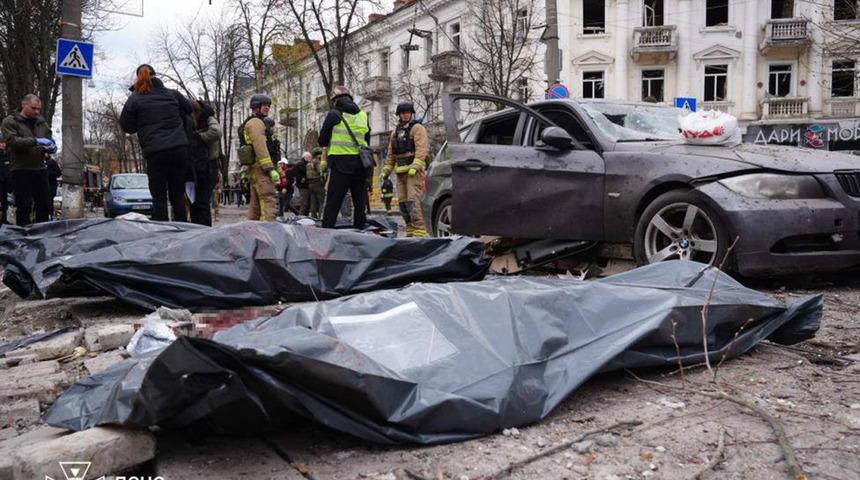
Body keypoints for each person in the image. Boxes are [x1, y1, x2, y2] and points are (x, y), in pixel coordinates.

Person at [120, 64, 192, 222]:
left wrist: (140, 124)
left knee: (159, 197)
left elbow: (126, 125)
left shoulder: (135, 99)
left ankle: (163, 233)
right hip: (179, 149)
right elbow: (189, 108)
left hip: (156, 152)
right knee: (177, 195)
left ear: (138, 78)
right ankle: (184, 232)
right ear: (156, 75)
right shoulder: (173, 94)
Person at [318, 86, 370, 229]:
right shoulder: (363, 115)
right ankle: (360, 233)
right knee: (359, 202)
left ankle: (326, 233)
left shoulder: (334, 114)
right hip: (360, 164)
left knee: (334, 201)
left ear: (335, 100)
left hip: (341, 164)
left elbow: (322, 140)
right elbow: (367, 140)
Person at [1, 94, 55, 226]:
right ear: (24, 105)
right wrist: (35, 141)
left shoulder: (41, 122)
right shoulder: (10, 121)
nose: (37, 111)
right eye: (33, 108)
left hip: (40, 168)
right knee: (24, 206)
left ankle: (43, 233)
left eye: (39, 109)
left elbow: (49, 137)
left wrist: (52, 146)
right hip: (21, 169)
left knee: (44, 205)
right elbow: (12, 142)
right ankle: (24, 236)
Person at [382, 101, 429, 237]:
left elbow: (422, 149)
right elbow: (391, 154)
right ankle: (409, 227)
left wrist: (415, 166)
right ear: (399, 115)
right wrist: (386, 170)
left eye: (408, 112)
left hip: (413, 172)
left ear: (411, 113)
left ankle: (419, 229)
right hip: (401, 171)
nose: (405, 115)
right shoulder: (395, 132)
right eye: (403, 113)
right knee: (403, 202)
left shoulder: (417, 128)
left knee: (413, 201)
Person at [238, 93, 279, 221]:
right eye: (264, 105)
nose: (267, 108)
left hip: (255, 167)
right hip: (260, 168)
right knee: (268, 199)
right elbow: (260, 145)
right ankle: (269, 232)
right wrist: (269, 168)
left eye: (268, 105)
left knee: (255, 205)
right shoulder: (256, 123)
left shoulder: (253, 122)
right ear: (256, 107)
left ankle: (251, 231)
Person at [187, 100, 223, 226]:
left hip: (208, 165)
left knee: (202, 202)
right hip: (198, 165)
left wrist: (199, 137)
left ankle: (204, 229)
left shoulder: (208, 117)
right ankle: (198, 228)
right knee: (195, 202)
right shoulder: (195, 119)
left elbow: (217, 132)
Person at [307, 148, 326, 219]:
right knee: (322, 202)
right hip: (318, 184)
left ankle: (313, 218)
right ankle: (321, 217)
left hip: (310, 184)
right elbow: (320, 171)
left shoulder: (310, 163)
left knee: (313, 203)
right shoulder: (317, 162)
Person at [46, 155, 61, 220]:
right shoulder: (38, 162)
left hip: (50, 186)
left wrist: (48, 173)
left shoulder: (52, 162)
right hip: (45, 186)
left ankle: (50, 216)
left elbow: (58, 173)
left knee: (49, 202)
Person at [0, 137, 9, 225]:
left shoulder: (7, 155)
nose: (3, 144)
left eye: (4, 143)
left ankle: (4, 219)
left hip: (5, 183)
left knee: (4, 202)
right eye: (1, 143)